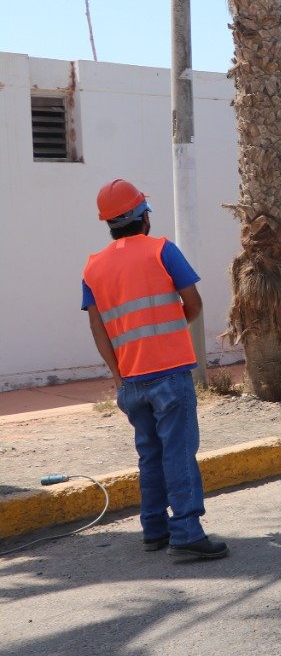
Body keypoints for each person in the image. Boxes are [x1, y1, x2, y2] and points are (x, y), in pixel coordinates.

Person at [82, 179, 228, 560]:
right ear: (142, 217)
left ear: (110, 224)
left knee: (149, 454)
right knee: (177, 453)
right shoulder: (163, 250)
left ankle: (155, 529)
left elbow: (98, 329)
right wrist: (173, 329)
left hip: (130, 380)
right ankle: (186, 533)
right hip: (169, 373)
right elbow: (193, 303)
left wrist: (119, 378)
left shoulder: (93, 267)